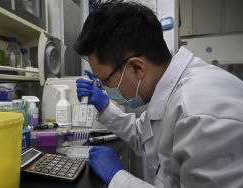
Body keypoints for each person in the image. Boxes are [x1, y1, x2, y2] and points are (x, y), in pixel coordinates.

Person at [74, 1, 243, 188]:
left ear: (136, 68)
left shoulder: (201, 115)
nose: (105, 89)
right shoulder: (168, 93)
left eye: (105, 81)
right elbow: (144, 136)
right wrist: (104, 106)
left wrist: (118, 178)